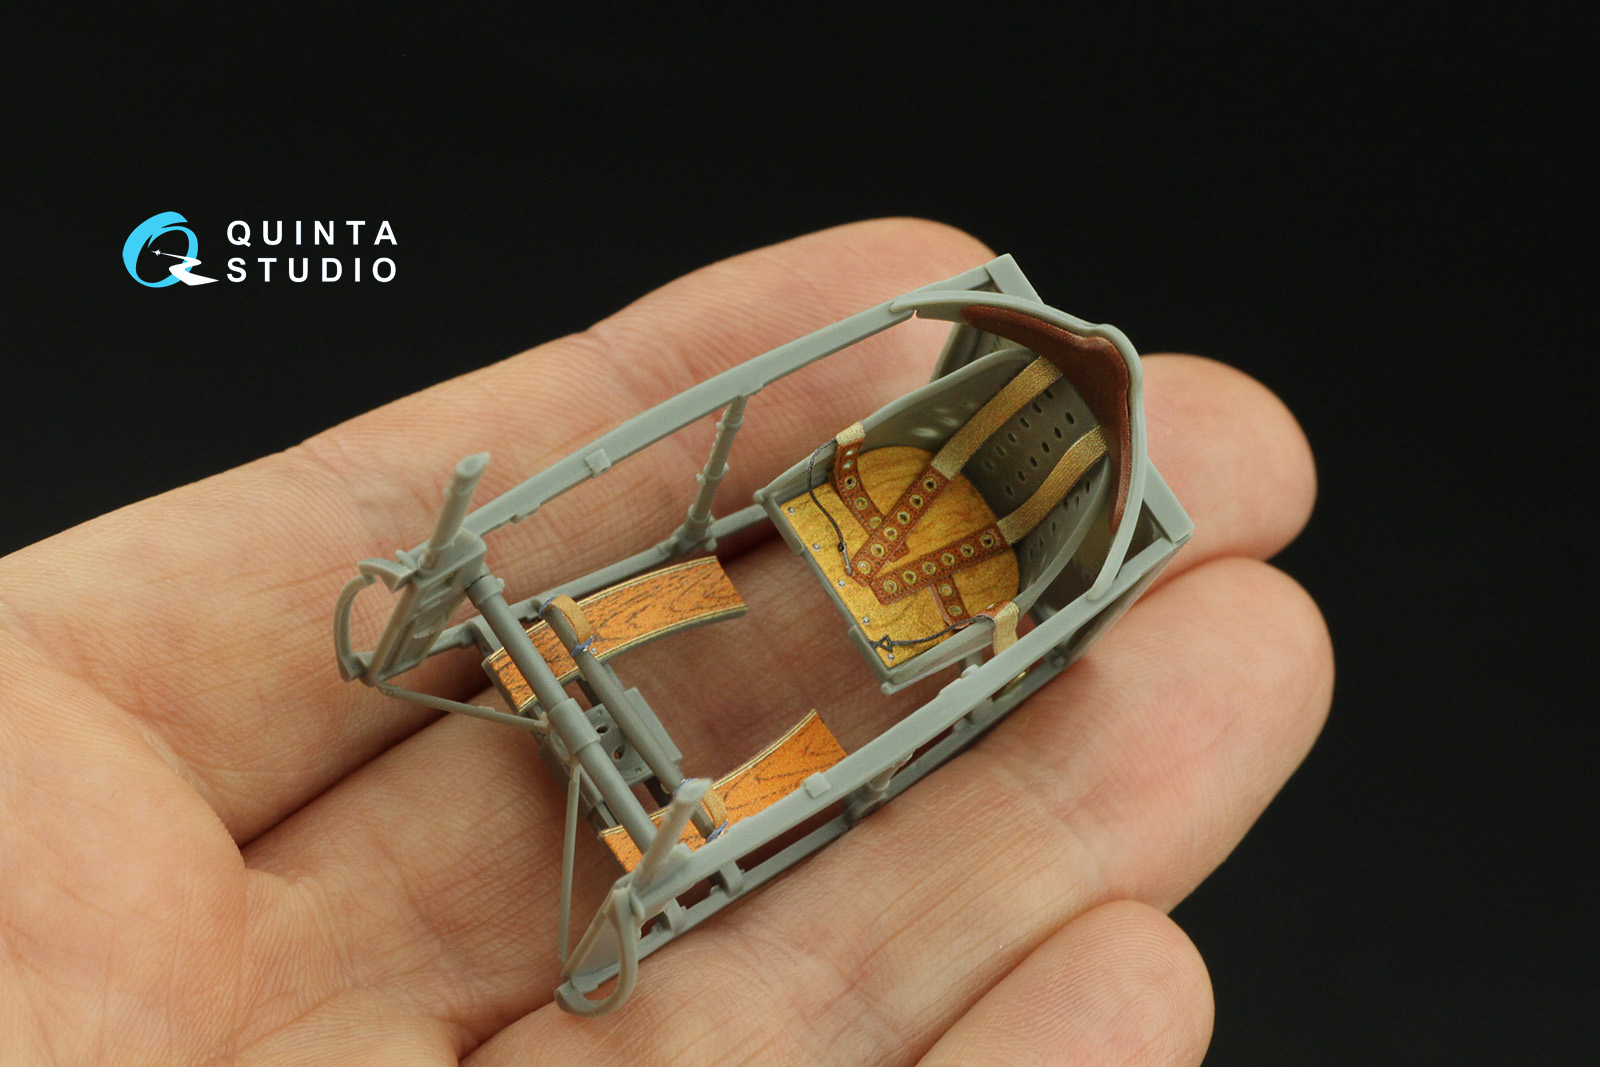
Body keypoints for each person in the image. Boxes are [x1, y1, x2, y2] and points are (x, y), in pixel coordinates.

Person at [0, 219, 1329, 1066]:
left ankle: (717, 812)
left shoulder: (1048, 541)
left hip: (969, 576)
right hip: (880, 490)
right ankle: (675, 782)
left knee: (812, 731)